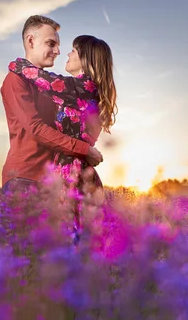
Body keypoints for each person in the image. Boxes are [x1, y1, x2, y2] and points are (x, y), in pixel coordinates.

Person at [8, 34, 118, 241]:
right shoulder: (87, 90)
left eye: (74, 51)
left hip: (72, 171)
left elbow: (43, 79)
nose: (67, 53)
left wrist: (17, 65)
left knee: (69, 238)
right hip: (77, 169)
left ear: (86, 60)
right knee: (79, 238)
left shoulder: (83, 87)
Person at [0, 15, 104, 194]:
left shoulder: (53, 87)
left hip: (54, 181)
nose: (57, 51)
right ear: (31, 41)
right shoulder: (15, 79)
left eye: (58, 45)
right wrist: (84, 150)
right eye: (51, 44)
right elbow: (36, 129)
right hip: (25, 177)